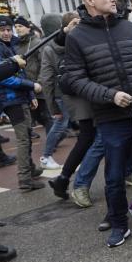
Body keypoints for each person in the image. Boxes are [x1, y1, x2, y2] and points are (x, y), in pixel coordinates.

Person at [65, 0, 132, 248]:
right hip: (111, 118)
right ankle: (119, 223)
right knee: (114, 176)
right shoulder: (76, 37)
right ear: (89, 0)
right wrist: (109, 95)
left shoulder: (130, 28)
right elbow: (75, 80)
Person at [0, 16, 44, 190]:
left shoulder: (6, 46)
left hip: (18, 97)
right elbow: (2, 77)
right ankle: (25, 179)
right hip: (10, 99)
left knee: (26, 133)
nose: (7, 33)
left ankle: (30, 170)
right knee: (24, 138)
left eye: (9, 29)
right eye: (2, 30)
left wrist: (30, 94)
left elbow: (19, 72)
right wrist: (31, 86)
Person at [47, 13, 94, 199]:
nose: (78, 26)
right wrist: (53, 108)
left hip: (87, 93)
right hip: (77, 97)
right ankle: (66, 179)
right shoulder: (59, 44)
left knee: (90, 139)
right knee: (88, 138)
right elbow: (47, 78)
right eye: (74, 23)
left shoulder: (82, 38)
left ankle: (64, 179)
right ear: (65, 27)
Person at [37, 13, 69, 171]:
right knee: (60, 123)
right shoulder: (52, 46)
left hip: (59, 91)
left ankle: (46, 155)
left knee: (62, 124)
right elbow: (47, 77)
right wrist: (51, 105)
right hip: (61, 92)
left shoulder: (44, 44)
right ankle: (46, 155)